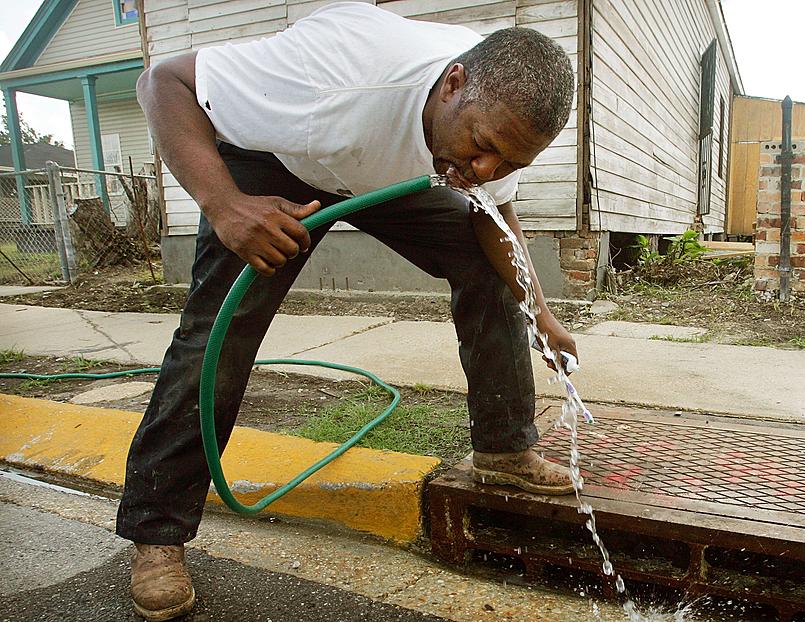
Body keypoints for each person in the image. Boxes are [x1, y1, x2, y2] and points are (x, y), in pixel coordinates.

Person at [117, 2, 577, 620]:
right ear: (453, 85)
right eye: (485, 149)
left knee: (484, 261)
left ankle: (504, 448)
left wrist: (540, 316)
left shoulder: (496, 116)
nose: (488, 169)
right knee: (220, 335)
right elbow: (162, 81)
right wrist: (225, 205)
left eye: (511, 163)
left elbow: (496, 217)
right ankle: (157, 533)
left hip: (368, 170)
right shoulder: (328, 74)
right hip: (275, 158)